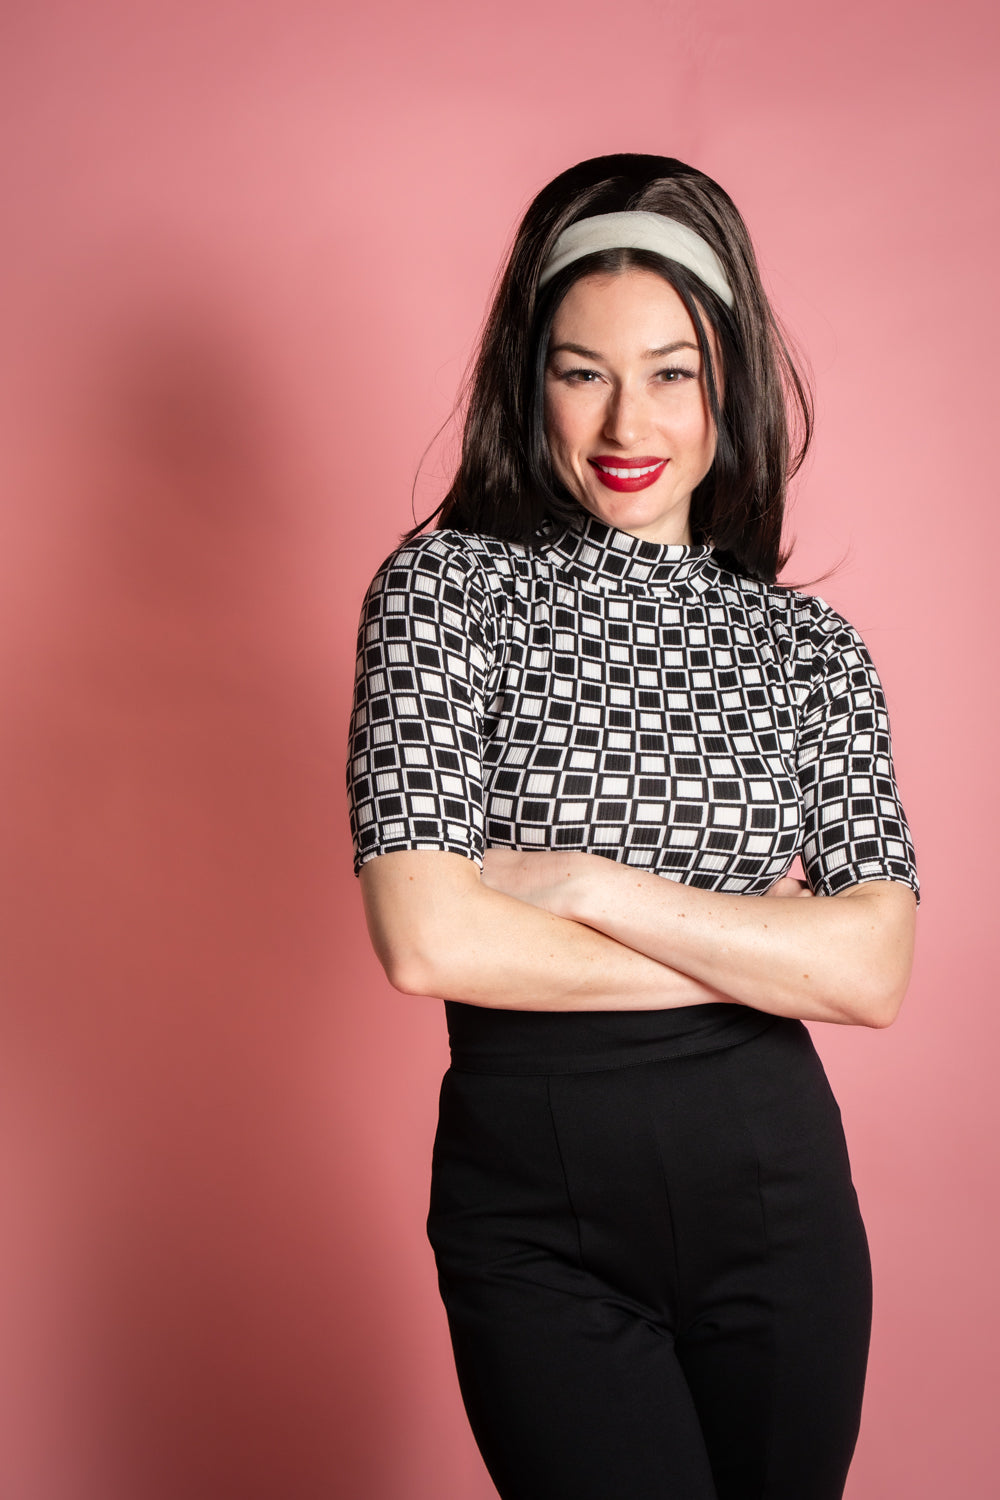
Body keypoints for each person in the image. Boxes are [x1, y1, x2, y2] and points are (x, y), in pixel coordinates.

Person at [346, 153, 918, 1500]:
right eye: (581, 370)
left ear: (731, 383)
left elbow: (875, 970)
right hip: (534, 1212)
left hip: (778, 1204)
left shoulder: (809, 648)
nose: (627, 420)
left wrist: (588, 883)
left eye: (672, 372)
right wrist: (767, 949)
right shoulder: (443, 594)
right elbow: (429, 941)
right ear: (528, 377)